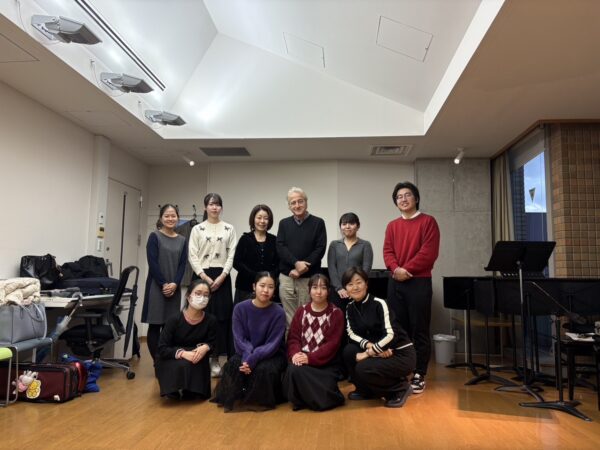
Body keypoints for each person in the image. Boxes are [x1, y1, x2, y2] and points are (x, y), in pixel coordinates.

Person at [383, 181, 440, 395]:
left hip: (418, 281)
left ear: (416, 198)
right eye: (399, 197)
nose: (403, 199)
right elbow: (387, 251)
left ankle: (419, 373)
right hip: (395, 282)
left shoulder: (428, 222)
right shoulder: (392, 225)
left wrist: (405, 270)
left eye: (407, 195)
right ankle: (401, 370)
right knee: (398, 329)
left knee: (419, 329)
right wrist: (396, 269)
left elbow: (429, 253)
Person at [211, 272, 287, 412]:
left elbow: (273, 343)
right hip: (245, 351)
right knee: (234, 365)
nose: (266, 290)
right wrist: (247, 358)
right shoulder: (240, 308)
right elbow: (239, 339)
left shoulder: (279, 312)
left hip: (272, 353)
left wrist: (252, 359)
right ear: (254, 286)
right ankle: (241, 395)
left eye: (270, 287)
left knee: (264, 369)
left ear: (274, 290)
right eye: (262, 285)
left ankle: (260, 399)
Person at [342, 267, 416, 408]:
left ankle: (400, 389)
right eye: (350, 284)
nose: (355, 287)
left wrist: (368, 353)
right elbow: (352, 334)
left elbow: (391, 335)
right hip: (381, 349)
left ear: (366, 284)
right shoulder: (350, 307)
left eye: (359, 282)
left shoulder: (379, 303)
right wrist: (373, 348)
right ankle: (366, 390)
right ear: (346, 288)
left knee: (363, 368)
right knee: (349, 352)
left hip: (400, 353)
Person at [188, 193, 237, 376]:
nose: (214, 207)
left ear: (221, 207)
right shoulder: (197, 229)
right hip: (201, 276)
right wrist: (204, 277)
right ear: (205, 207)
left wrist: (223, 275)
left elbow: (231, 254)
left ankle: (215, 358)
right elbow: (192, 254)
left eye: (217, 204)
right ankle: (198, 357)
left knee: (221, 319)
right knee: (199, 316)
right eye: (211, 204)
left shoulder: (229, 228)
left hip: (222, 277)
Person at [283, 274, 345, 411]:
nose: (319, 292)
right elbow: (293, 338)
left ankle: (308, 398)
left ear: (328, 291)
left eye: (323, 288)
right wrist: (295, 354)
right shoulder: (302, 311)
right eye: (315, 287)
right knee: (294, 369)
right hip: (302, 360)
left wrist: (309, 358)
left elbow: (332, 344)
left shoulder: (336, 313)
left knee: (326, 397)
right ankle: (304, 399)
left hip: (325, 364)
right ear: (309, 290)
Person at [154, 279, 217, 400]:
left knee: (196, 370)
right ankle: (173, 388)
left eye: (206, 295)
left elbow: (213, 343)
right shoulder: (174, 319)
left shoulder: (211, 320)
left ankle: (191, 389)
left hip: (196, 357)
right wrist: (183, 353)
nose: (202, 298)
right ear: (188, 296)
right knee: (182, 364)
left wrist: (206, 347)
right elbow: (162, 348)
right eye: (198, 293)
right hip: (172, 356)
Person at [141, 204, 187, 361]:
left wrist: (175, 283)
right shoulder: (154, 237)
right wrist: (164, 284)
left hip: (174, 288)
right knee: (155, 325)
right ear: (161, 218)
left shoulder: (182, 240)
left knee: (170, 326)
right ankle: (157, 362)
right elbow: (152, 263)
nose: (170, 218)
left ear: (178, 218)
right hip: (156, 287)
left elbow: (182, 265)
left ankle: (168, 361)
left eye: (173, 215)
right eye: (167, 216)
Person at [276, 187, 327, 326]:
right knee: (289, 319)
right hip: (287, 277)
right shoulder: (284, 223)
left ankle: (306, 341)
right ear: (289, 206)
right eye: (293, 203)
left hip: (308, 279)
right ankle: (292, 341)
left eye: (300, 201)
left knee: (307, 317)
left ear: (306, 202)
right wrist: (295, 264)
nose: (297, 205)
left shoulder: (318, 223)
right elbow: (280, 247)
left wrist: (302, 268)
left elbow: (320, 248)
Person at [327, 212, 373, 311]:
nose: (347, 226)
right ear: (340, 227)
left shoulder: (365, 245)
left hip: (357, 291)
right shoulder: (334, 245)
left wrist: (355, 287)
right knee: (338, 317)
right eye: (344, 224)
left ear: (358, 226)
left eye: (351, 223)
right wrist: (339, 288)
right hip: (337, 291)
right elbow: (332, 268)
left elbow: (366, 269)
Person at [233, 204, 279, 303]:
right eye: (259, 217)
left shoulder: (274, 240)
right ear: (253, 219)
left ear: (269, 221)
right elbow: (236, 262)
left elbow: (279, 264)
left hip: (267, 288)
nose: (262, 221)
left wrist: (267, 277)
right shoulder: (245, 239)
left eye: (266, 218)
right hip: (245, 287)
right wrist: (256, 276)